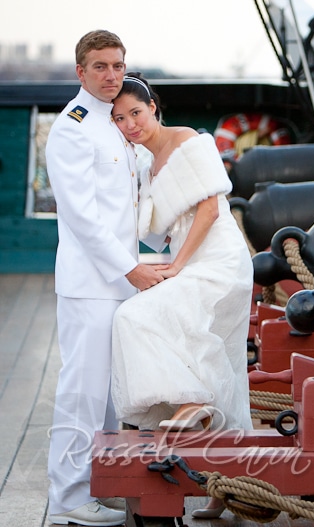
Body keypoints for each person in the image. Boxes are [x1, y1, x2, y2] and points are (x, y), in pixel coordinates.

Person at [110, 72, 254, 519]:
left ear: (153, 107)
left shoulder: (188, 139)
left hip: (220, 259)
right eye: (119, 118)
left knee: (134, 317)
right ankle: (227, 489)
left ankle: (191, 399)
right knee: (227, 361)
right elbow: (158, 232)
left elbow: (210, 209)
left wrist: (176, 266)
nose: (130, 124)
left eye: (136, 112)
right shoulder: (143, 165)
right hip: (190, 258)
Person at [46, 30, 165, 527]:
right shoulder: (73, 128)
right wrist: (132, 268)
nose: (112, 75)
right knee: (84, 392)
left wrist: (164, 252)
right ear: (81, 72)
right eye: (100, 66)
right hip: (92, 283)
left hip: (120, 279)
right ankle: (67, 497)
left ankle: (105, 483)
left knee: (116, 395)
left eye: (118, 65)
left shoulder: (118, 121)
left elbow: (130, 205)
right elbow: (83, 218)